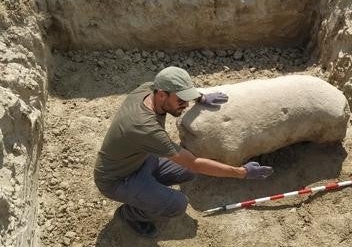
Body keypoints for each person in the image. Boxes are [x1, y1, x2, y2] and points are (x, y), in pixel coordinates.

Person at [94, 66, 274, 237]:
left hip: (140, 159)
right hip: (118, 179)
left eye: (187, 98)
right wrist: (242, 173)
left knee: (187, 172)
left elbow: (190, 165)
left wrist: (201, 98)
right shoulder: (145, 127)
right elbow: (194, 162)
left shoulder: (149, 88)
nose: (186, 105)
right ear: (162, 95)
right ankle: (130, 214)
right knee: (178, 204)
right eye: (181, 100)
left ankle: (148, 192)